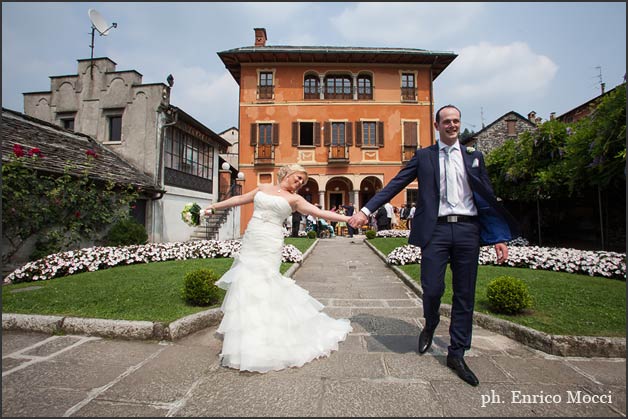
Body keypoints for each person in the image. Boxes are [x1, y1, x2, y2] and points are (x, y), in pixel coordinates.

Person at [348, 105, 518, 387]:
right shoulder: (424, 156)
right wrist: (366, 210)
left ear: (460, 125)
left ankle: (457, 352)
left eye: (456, 121)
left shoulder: (475, 156)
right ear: (437, 126)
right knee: (432, 287)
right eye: (447, 121)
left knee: (465, 293)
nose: (452, 125)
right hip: (436, 230)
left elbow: (488, 197)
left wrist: (498, 235)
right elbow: (396, 184)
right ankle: (430, 322)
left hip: (468, 229)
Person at [204, 164, 352, 373]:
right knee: (246, 281)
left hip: (270, 242)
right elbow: (238, 199)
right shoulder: (263, 188)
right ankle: (248, 333)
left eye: (303, 182)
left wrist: (348, 219)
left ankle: (269, 333)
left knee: (266, 281)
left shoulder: (296, 200)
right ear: (288, 173)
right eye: (299, 178)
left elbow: (320, 213)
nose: (300, 183)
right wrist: (214, 206)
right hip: (252, 238)